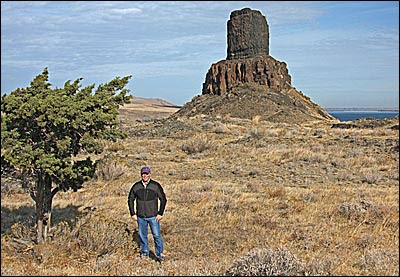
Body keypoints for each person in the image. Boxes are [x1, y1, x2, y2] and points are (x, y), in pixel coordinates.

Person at [128, 166, 167, 261]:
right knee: (142, 236)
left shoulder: (155, 185)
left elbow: (163, 199)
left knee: (156, 235)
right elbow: (130, 199)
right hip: (141, 217)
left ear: (150, 174)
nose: (144, 176)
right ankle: (144, 254)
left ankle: (159, 254)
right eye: (143, 174)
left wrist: (160, 213)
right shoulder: (136, 186)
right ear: (141, 175)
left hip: (153, 216)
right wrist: (133, 213)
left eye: (146, 174)